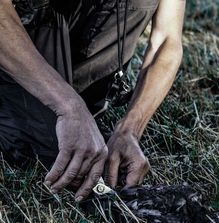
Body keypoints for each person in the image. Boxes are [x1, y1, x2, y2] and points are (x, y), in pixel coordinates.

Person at [0, 0, 185, 201]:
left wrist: (130, 129)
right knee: (58, 154)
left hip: (75, 28)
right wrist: (69, 107)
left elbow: (167, 40)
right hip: (19, 30)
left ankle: (78, 107)